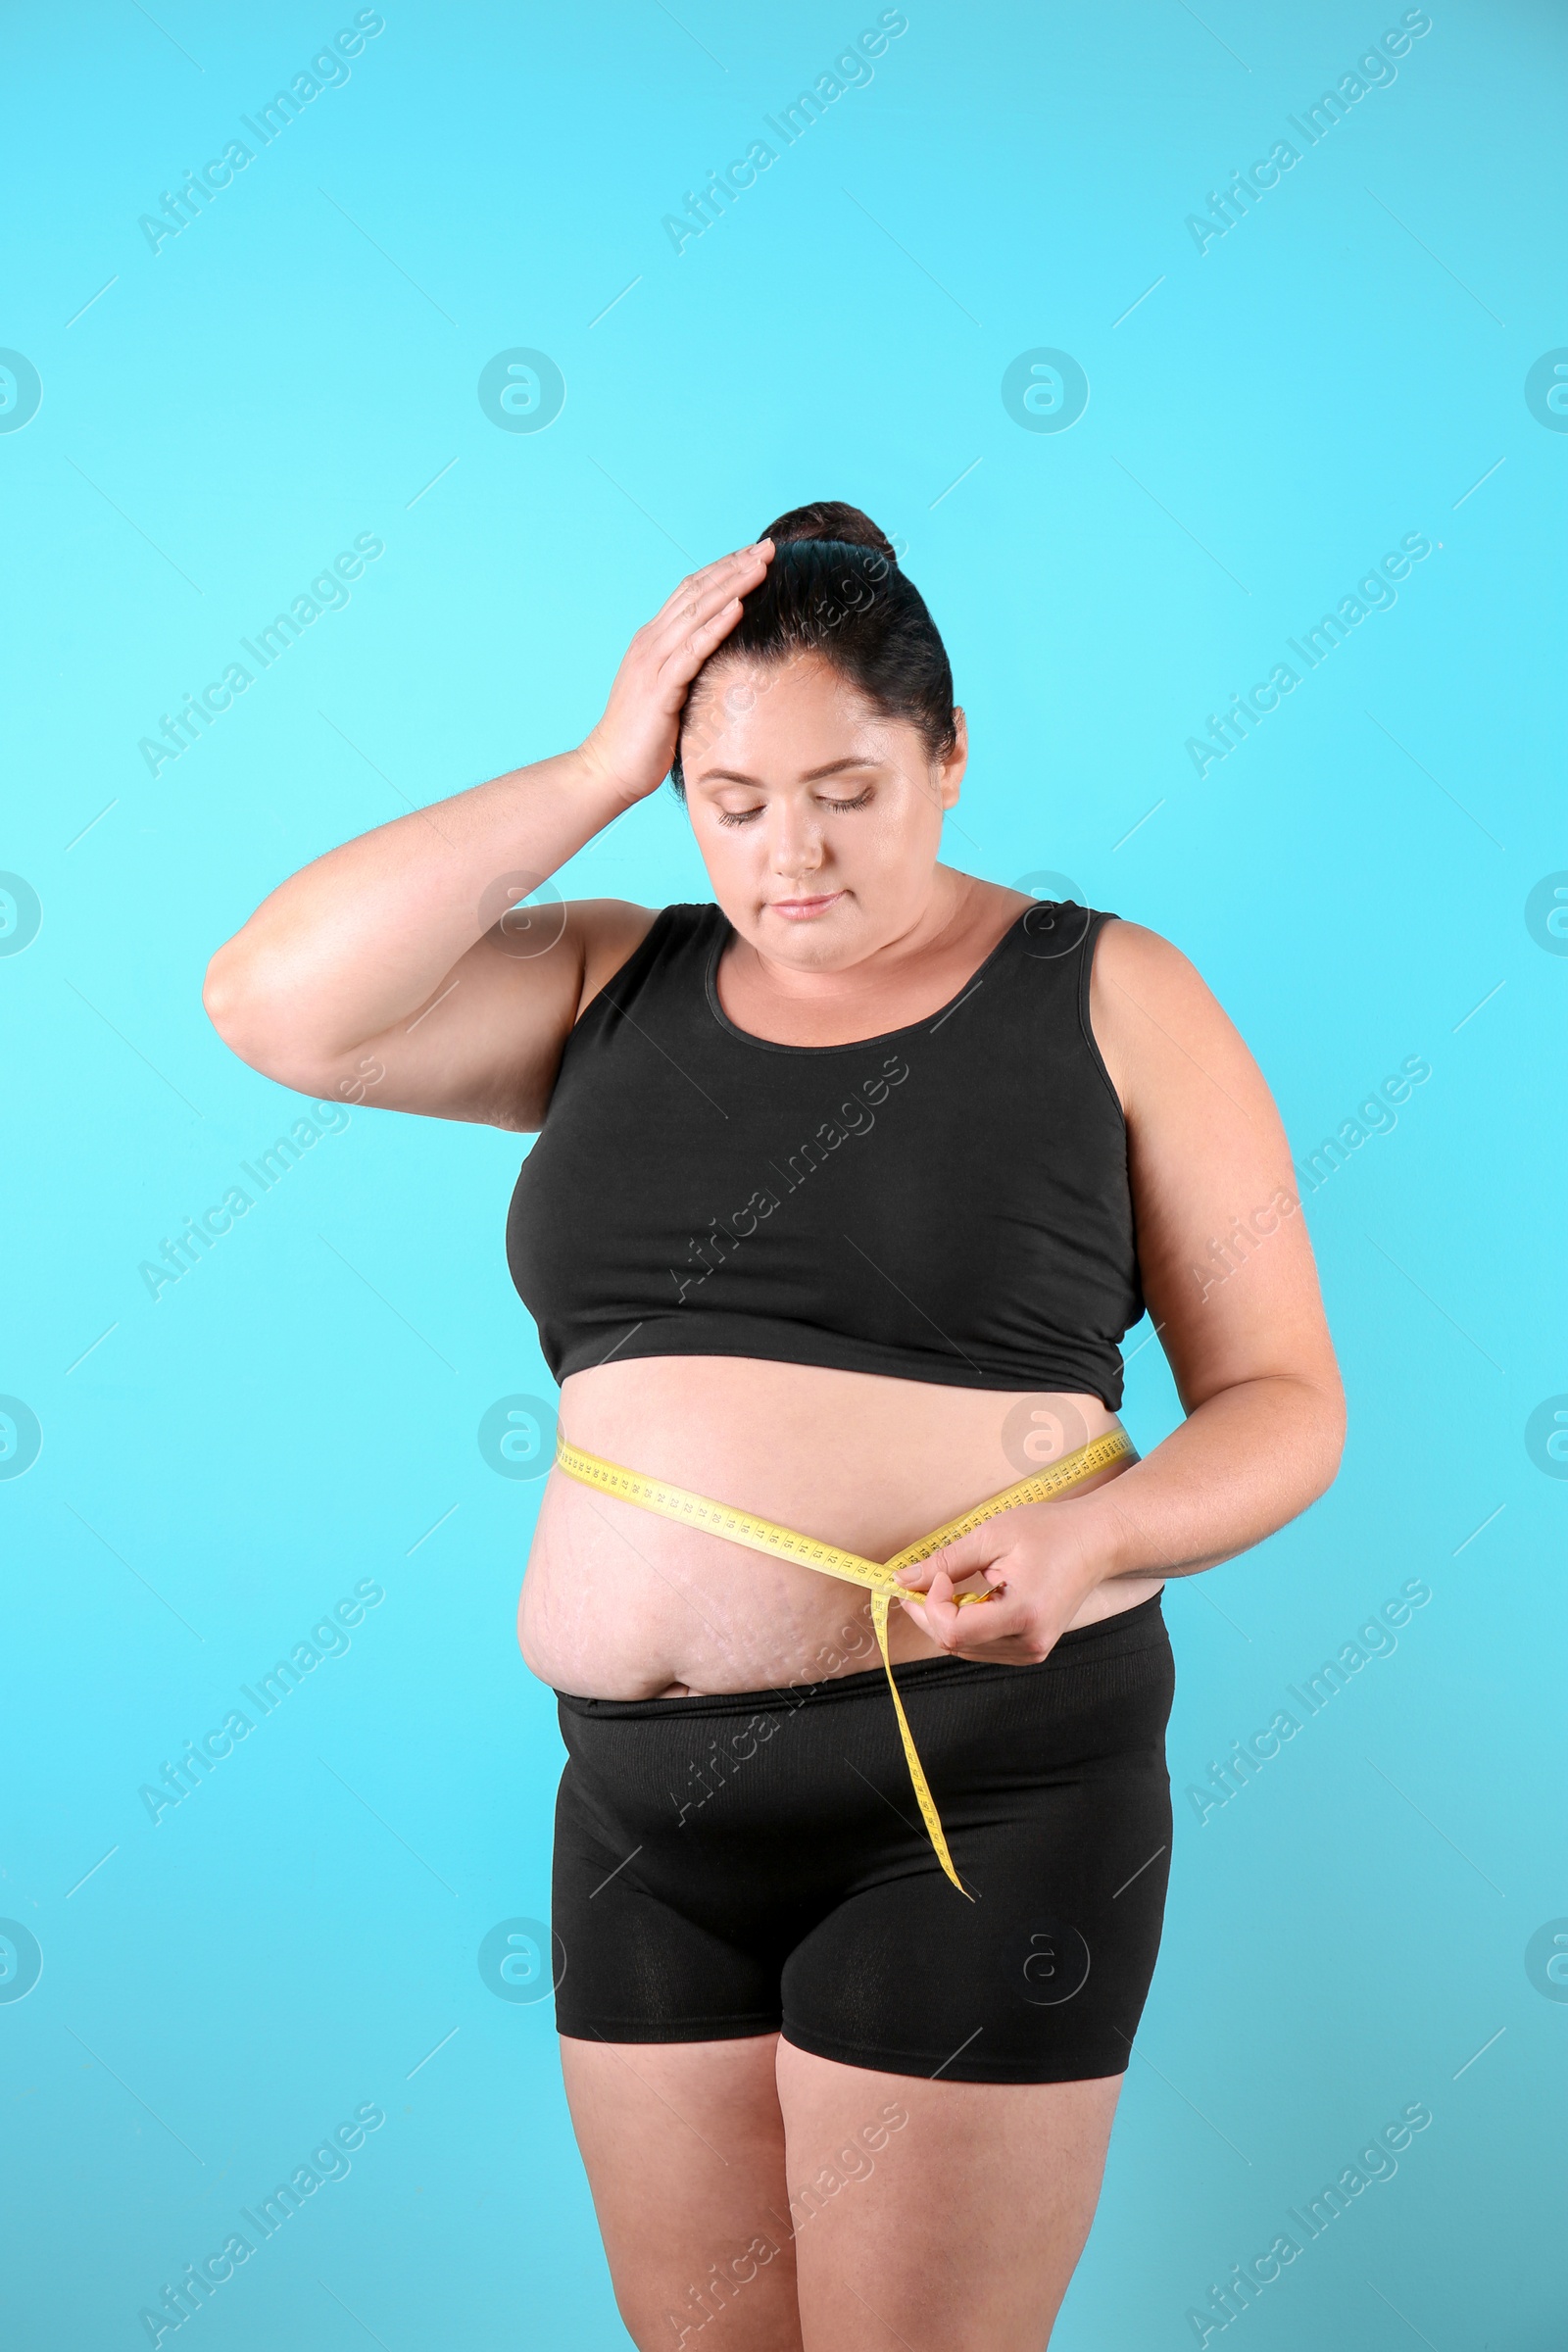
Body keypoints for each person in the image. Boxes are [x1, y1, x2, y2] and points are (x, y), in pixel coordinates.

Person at [204, 502, 1345, 2350]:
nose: (789, 853)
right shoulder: (605, 981)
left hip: (970, 1791)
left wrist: (1096, 1538)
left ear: (950, 759)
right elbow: (275, 1001)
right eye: (730, 800)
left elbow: (1290, 1403)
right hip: (643, 1820)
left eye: (847, 790)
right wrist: (594, 768)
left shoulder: (1112, 996)